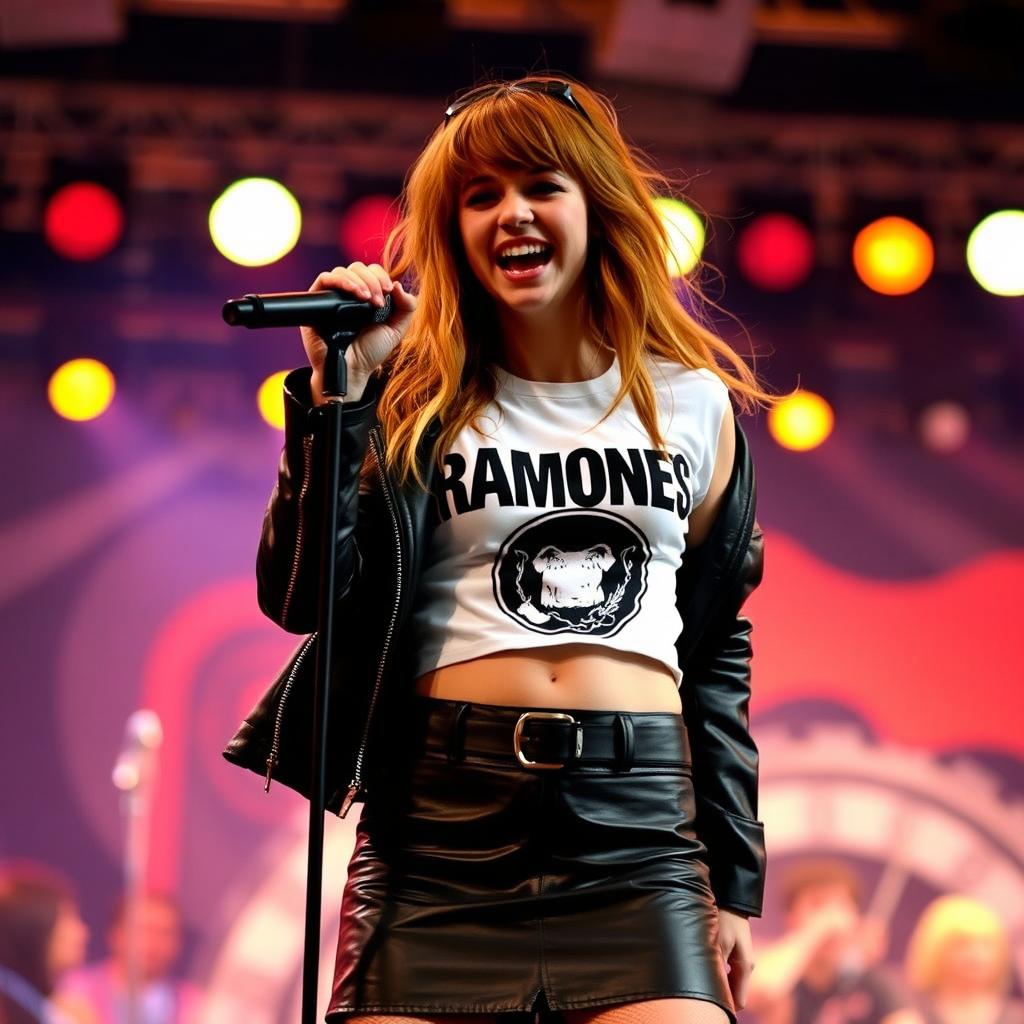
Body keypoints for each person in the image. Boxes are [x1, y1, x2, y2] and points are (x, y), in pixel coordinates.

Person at [226, 73, 783, 1024]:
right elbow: (299, 597)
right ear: (453, 230)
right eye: (480, 196)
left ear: (597, 204)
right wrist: (337, 405)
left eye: (539, 186)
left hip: (637, 831)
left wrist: (733, 879)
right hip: (441, 827)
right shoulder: (409, 397)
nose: (510, 213)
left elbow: (714, 651)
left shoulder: (691, 403)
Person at [744, 858, 912, 1024]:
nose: (833, 918)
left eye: (841, 905)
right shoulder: (784, 978)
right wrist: (816, 931)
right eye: (818, 905)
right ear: (791, 916)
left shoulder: (870, 981)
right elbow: (764, 989)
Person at [56, 892, 200, 1024]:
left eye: (165, 933)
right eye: (144, 930)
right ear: (116, 934)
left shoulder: (195, 1004)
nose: (154, 943)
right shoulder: (73, 990)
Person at [886, 894, 1024, 1024]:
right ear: (936, 950)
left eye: (987, 943)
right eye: (962, 943)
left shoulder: (1018, 1017)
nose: (977, 955)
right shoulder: (908, 1016)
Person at [0, 861, 92, 1024]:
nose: (82, 932)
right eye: (68, 918)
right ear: (34, 927)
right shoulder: (8, 1007)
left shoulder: (56, 1005)